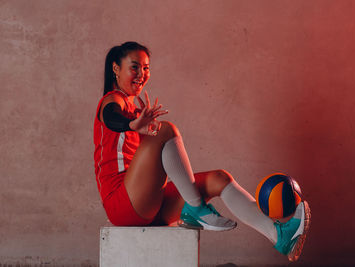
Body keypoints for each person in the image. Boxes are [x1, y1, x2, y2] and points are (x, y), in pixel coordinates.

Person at [93, 41, 311, 261]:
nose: (142, 74)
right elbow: (112, 117)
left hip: (148, 203)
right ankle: (196, 208)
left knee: (220, 178)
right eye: (134, 67)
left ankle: (279, 236)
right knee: (166, 130)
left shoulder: (137, 111)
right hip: (122, 205)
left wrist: (142, 125)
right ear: (115, 68)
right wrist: (133, 125)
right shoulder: (112, 100)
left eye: (146, 68)